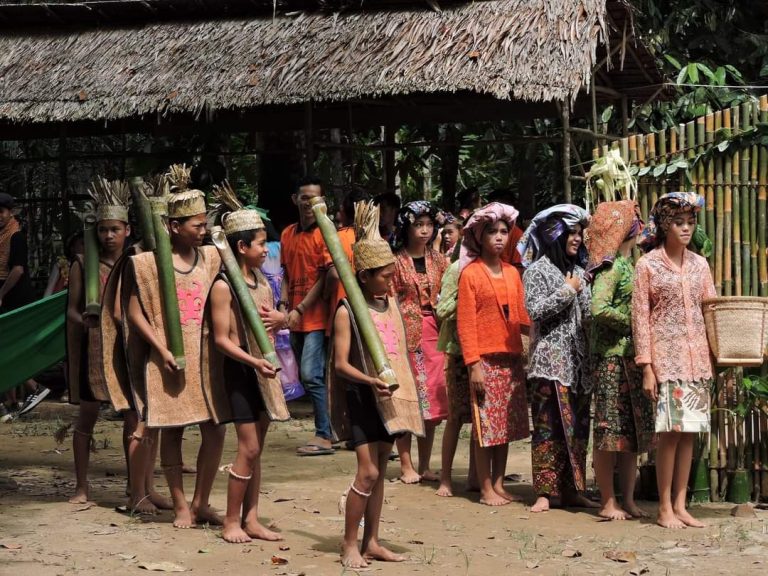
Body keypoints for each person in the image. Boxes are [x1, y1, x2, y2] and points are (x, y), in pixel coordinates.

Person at [126, 165, 224, 527]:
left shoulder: (213, 257)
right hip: (168, 358)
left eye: (204, 224)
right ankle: (181, 504)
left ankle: (202, 501)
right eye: (196, 225)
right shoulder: (151, 263)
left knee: (216, 430)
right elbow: (135, 313)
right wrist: (162, 349)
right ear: (173, 227)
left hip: (207, 357)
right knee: (173, 429)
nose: (203, 231)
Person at [329, 201, 421, 568]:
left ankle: (372, 541)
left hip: (388, 397)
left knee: (381, 469)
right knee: (367, 472)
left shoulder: (390, 305)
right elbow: (339, 364)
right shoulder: (346, 310)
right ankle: (349, 542)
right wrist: (370, 380)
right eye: (383, 276)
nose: (390, 281)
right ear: (364, 276)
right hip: (362, 396)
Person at [204, 185, 287, 543]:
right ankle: (231, 522)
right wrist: (253, 361)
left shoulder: (263, 284)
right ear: (241, 247)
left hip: (262, 369)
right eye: (260, 243)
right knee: (248, 448)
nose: (266, 249)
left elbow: (273, 320)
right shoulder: (224, 287)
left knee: (258, 449)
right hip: (240, 370)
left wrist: (282, 319)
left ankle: (251, 518)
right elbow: (221, 340)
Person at [632, 192, 715, 529]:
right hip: (666, 360)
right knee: (670, 432)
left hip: (698, 359)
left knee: (689, 433)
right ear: (664, 225)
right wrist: (646, 366)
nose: (686, 229)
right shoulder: (647, 265)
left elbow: (711, 310)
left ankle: (681, 504)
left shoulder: (700, 264)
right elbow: (639, 317)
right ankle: (663, 506)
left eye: (690, 222)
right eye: (679, 222)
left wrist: (716, 354)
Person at [518, 204, 597, 513]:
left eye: (579, 234)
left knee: (578, 429)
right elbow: (535, 311)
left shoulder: (580, 271)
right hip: (549, 365)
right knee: (547, 426)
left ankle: (573, 489)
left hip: (578, 365)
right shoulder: (537, 270)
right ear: (555, 235)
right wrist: (567, 291)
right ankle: (544, 491)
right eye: (571, 233)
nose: (576, 239)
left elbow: (587, 316)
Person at [66, 178, 136, 505]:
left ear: (128, 230)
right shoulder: (82, 265)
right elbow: (72, 312)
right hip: (93, 349)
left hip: (127, 350)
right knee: (87, 418)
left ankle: (135, 485)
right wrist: (92, 324)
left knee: (133, 419)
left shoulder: (137, 263)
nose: (108, 236)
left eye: (115, 229)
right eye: (103, 229)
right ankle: (81, 487)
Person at [458, 203, 530, 506]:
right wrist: (473, 364)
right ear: (479, 236)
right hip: (485, 359)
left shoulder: (514, 273)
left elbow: (523, 315)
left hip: (511, 357)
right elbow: (466, 323)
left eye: (504, 232)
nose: (499, 237)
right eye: (492, 232)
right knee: (485, 425)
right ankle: (485, 486)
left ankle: (499, 482)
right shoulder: (470, 274)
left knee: (505, 425)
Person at [586, 200, 654, 520]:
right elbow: (598, 308)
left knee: (631, 433)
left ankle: (627, 498)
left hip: (630, 360)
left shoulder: (632, 264)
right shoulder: (611, 268)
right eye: (635, 220)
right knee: (608, 431)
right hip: (611, 362)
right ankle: (607, 500)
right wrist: (630, 318)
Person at [392, 201, 448, 483]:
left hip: (436, 336)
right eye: (418, 225)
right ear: (407, 227)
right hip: (405, 335)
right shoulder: (394, 261)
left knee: (433, 404)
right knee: (408, 400)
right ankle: (406, 465)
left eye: (428, 225)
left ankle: (424, 464)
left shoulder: (440, 260)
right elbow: (389, 301)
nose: (425, 230)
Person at [281, 177, 335, 456]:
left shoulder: (325, 234)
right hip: (294, 318)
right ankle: (330, 429)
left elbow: (326, 277)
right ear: (295, 200)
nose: (310, 204)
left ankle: (324, 435)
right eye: (305, 198)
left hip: (316, 319)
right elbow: (287, 274)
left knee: (311, 375)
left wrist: (299, 308)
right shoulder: (288, 233)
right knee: (311, 377)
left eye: (316, 198)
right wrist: (282, 304)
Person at [0, 192, 50, 420]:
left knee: (10, 347)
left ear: (10, 212)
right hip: (6, 297)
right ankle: (11, 401)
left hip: (15, 297)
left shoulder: (15, 236)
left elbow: (18, 269)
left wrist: (0, 294)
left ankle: (33, 387)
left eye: (1, 212)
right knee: (6, 346)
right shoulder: (2, 236)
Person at [434, 255, 475, 497]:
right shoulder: (456, 269)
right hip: (457, 350)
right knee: (455, 417)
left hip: (482, 350)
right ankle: (446, 478)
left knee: (479, 418)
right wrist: (466, 297)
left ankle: (475, 476)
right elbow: (442, 309)